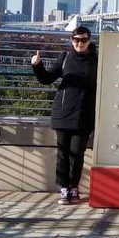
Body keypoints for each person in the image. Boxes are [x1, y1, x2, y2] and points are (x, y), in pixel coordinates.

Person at [31, 26, 98, 205]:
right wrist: (37, 65)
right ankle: (63, 189)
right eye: (76, 40)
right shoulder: (65, 57)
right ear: (71, 40)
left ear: (89, 41)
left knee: (77, 153)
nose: (79, 43)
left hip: (85, 113)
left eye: (83, 40)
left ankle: (74, 188)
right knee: (63, 153)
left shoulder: (98, 60)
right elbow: (46, 79)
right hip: (63, 112)